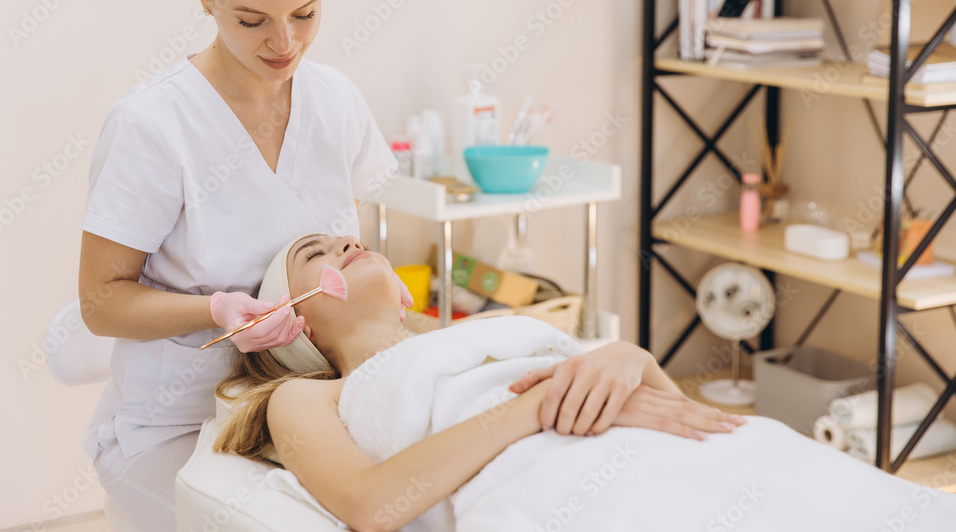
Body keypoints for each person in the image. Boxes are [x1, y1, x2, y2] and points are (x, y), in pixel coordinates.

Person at [215, 233, 956, 532]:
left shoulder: (473, 331)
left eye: (349, 234)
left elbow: (667, 408)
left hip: (701, 450)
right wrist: (539, 404)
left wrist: (628, 355)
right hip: (568, 486)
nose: (348, 240)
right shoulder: (305, 397)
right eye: (317, 251)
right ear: (295, 322)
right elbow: (373, 507)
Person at [77, 0, 398, 531]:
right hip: (180, 422)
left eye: (305, 13)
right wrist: (214, 309)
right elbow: (99, 301)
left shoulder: (335, 103)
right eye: (253, 20)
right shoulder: (153, 125)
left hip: (312, 406)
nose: (285, 43)